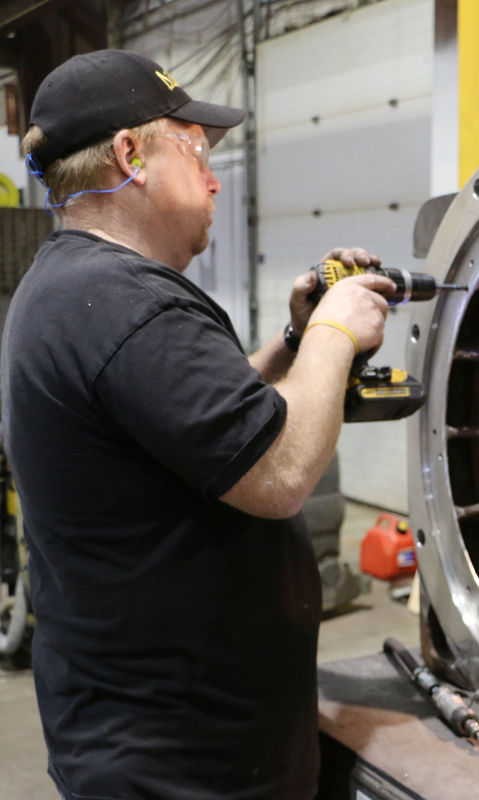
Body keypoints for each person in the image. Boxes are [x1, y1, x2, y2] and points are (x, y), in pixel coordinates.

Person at [0, 49, 396, 800]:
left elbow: (199, 420)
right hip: (182, 763)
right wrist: (335, 332)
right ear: (131, 155)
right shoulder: (126, 303)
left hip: (145, 730)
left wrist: (294, 339)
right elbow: (279, 472)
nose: (213, 180)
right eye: (197, 153)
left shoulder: (73, 287)